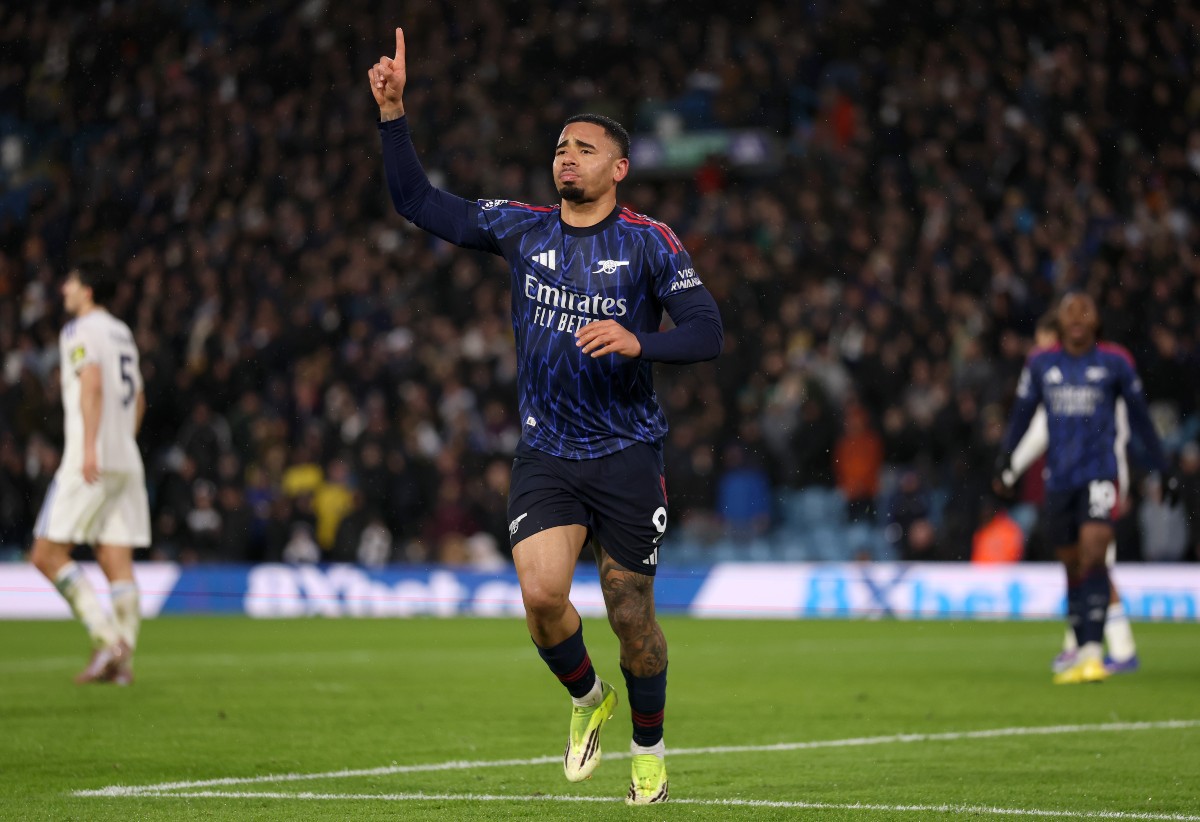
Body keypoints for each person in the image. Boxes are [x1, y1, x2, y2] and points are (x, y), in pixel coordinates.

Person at [369, 28, 723, 804]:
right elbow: (417, 202)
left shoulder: (651, 245)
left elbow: (708, 332)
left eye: (585, 148)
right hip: (549, 454)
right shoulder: (522, 228)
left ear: (619, 168)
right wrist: (394, 114)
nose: (567, 156)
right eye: (561, 146)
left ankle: (650, 751)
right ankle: (588, 697)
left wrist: (640, 340)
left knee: (632, 615)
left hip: (628, 453)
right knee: (539, 596)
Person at [994, 293, 1177, 684]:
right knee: (1074, 563)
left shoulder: (1114, 362)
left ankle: (1095, 652)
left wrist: (1162, 468)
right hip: (1060, 479)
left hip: (1102, 473)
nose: (1077, 319)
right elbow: (1025, 417)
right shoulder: (1043, 365)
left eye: (1085, 312)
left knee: (1095, 553)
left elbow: (1141, 420)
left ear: (1097, 321)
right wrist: (1006, 460)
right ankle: (1085, 646)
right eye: (1069, 313)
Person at [28, 261, 150, 685]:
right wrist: (123, 443)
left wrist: (91, 447)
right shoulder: (122, 333)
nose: (65, 287)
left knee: (45, 553)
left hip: (91, 457)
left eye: (72, 281)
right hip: (127, 458)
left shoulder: (78, 332)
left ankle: (106, 637)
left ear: (89, 290)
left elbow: (92, 382)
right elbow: (139, 400)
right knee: (115, 558)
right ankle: (123, 662)